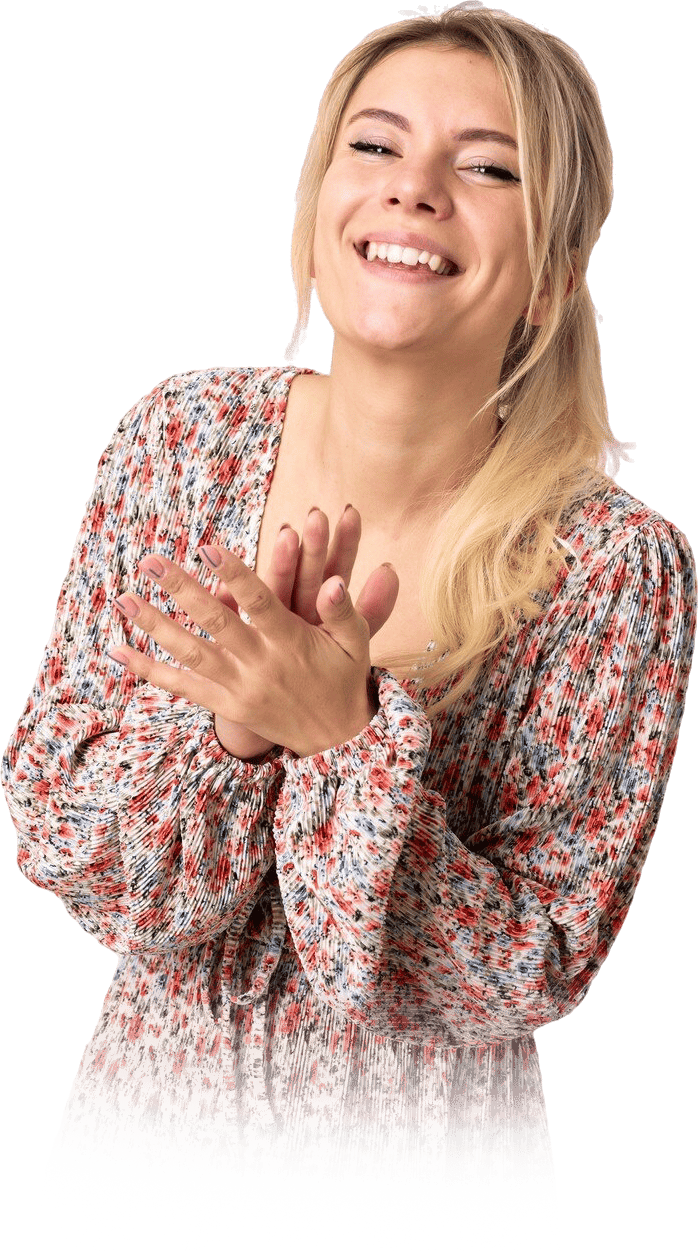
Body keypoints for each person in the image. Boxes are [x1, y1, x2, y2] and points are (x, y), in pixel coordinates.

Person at [2, 0, 696, 1240]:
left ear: (553, 270)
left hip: (426, 1200)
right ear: (315, 204)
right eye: (372, 146)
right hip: (130, 1170)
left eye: (487, 168)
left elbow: (521, 970)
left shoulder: (610, 569)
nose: (413, 189)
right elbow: (69, 843)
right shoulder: (181, 439)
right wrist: (235, 738)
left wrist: (342, 742)